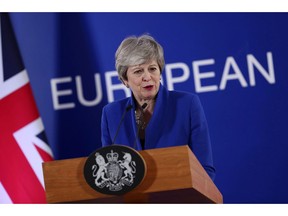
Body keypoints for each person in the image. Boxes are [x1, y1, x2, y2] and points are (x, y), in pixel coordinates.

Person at [101, 34, 215, 181]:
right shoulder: (112, 114)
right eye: (138, 71)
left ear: (160, 71)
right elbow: (109, 176)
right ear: (125, 80)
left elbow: (205, 169)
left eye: (152, 69)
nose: (147, 77)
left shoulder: (187, 105)